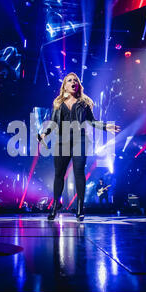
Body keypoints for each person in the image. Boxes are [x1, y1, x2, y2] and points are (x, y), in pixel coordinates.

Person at [39, 72, 120, 221]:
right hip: (62, 141)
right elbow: (53, 122)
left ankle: (80, 207)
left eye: (75, 80)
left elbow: (92, 121)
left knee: (79, 173)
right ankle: (55, 205)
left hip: (80, 140)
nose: (73, 82)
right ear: (65, 85)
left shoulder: (84, 103)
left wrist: (105, 126)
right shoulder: (58, 103)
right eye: (70, 80)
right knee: (59, 174)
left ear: (78, 85)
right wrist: (44, 133)